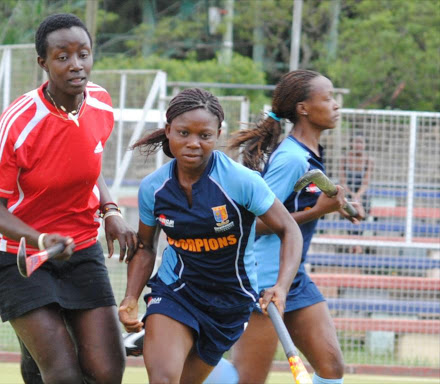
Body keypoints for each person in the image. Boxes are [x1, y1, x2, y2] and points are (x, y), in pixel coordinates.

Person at [0, 13, 138, 384]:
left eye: (83, 54)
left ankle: (34, 356)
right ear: (43, 63)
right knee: (64, 376)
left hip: (80, 248)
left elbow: (89, 162)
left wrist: (110, 209)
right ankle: (37, 349)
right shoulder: (19, 122)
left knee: (107, 373)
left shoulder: (100, 103)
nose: (76, 65)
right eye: (62, 56)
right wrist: (39, 240)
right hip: (18, 254)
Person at [117, 88, 303, 383]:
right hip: (176, 290)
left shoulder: (241, 182)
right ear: (168, 131)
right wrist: (130, 297)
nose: (193, 143)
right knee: (164, 379)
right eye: (183, 133)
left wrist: (281, 286)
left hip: (230, 302)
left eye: (204, 135)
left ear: (217, 134)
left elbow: (289, 230)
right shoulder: (153, 188)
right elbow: (146, 246)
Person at [206, 69, 365, 384]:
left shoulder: (312, 153)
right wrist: (317, 211)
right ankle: (178, 353)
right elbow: (258, 223)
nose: (336, 105)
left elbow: (301, 204)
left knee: (331, 368)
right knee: (247, 380)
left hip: (294, 276)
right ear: (303, 108)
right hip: (267, 277)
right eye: (328, 98)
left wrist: (338, 207)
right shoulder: (291, 158)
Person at [340, 134, 373, 253]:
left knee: (363, 210)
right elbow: (342, 181)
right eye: (356, 142)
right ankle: (350, 242)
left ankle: (358, 243)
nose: (359, 145)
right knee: (346, 210)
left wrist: (358, 195)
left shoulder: (369, 160)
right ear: (351, 144)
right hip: (347, 191)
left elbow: (366, 182)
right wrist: (351, 194)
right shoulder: (344, 158)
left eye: (361, 142)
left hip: (362, 193)